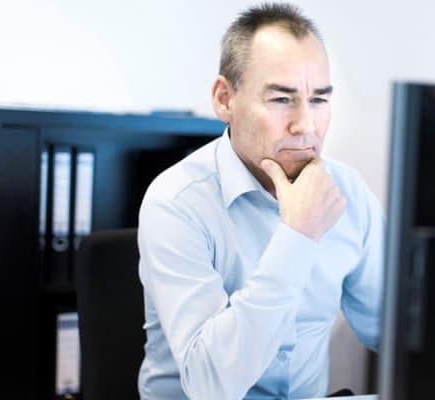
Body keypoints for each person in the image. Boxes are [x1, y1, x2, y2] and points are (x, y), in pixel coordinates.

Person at [137, 3, 384, 399]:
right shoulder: (176, 203)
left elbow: (395, 334)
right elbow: (210, 385)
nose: (306, 125)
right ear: (225, 99)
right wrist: (298, 236)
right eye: (282, 99)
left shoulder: (348, 192)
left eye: (319, 100)